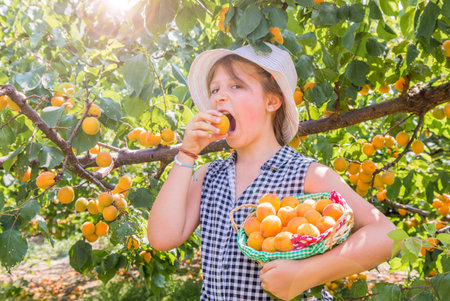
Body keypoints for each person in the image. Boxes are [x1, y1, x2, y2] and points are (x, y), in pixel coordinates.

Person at [147, 42, 396, 301]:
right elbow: (162, 238)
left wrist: (307, 272)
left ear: (272, 101)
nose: (219, 96)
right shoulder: (209, 175)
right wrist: (187, 154)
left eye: (235, 85)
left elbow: (386, 236)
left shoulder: (306, 174)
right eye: (215, 89)